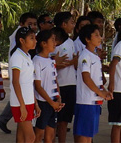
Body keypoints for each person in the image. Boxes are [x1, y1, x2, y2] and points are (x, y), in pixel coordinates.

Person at [75, 24, 111, 143]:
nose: (99, 37)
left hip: (94, 101)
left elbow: (96, 79)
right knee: (84, 134)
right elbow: (86, 78)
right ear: (87, 39)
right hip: (86, 101)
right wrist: (100, 92)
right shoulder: (85, 56)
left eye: (99, 35)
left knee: (89, 133)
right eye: (96, 35)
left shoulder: (94, 56)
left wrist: (104, 92)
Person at [52, 12, 79, 143]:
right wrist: (60, 63)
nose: (73, 25)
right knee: (52, 122)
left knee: (64, 121)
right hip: (57, 85)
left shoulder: (70, 42)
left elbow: (73, 62)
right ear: (64, 24)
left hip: (70, 84)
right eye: (71, 22)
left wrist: (74, 63)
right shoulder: (52, 40)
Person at [10, 27, 39, 143]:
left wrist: (35, 102)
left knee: (22, 136)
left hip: (28, 101)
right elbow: (15, 82)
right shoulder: (17, 57)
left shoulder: (27, 56)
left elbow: (28, 82)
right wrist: (22, 105)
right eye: (31, 38)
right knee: (30, 137)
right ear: (22, 40)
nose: (35, 41)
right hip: (20, 102)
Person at [33, 29, 63, 143]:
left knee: (50, 134)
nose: (55, 43)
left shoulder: (51, 60)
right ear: (43, 43)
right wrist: (51, 102)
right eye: (52, 40)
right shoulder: (37, 60)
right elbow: (38, 86)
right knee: (39, 133)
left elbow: (55, 79)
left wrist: (58, 97)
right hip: (43, 102)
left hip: (53, 101)